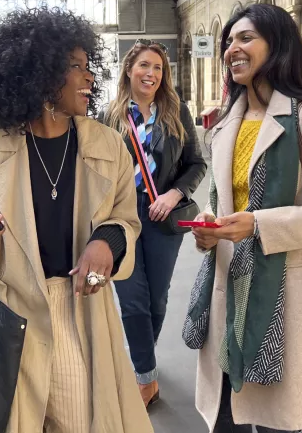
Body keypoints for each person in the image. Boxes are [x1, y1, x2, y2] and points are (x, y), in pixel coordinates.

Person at [0, 7, 153, 433]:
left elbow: (127, 219)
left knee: (80, 421)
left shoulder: (109, 146)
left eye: (89, 66)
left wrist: (106, 242)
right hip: (4, 317)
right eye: (76, 67)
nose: (89, 77)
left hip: (78, 307)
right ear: (38, 73)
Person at [185, 4, 302, 432]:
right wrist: (211, 231)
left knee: (277, 421)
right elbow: (232, 202)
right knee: (226, 417)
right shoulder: (224, 125)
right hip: (226, 291)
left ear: (278, 46)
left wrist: (259, 225)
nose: (232, 48)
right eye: (229, 40)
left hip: (285, 294)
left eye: (246, 38)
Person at [100, 40, 206, 407]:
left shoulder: (176, 112)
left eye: (158, 68)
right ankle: (145, 377)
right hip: (120, 216)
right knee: (132, 299)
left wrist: (174, 195)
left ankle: (142, 356)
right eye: (145, 65)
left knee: (156, 300)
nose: (152, 74)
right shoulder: (108, 116)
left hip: (162, 217)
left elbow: (197, 163)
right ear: (129, 69)